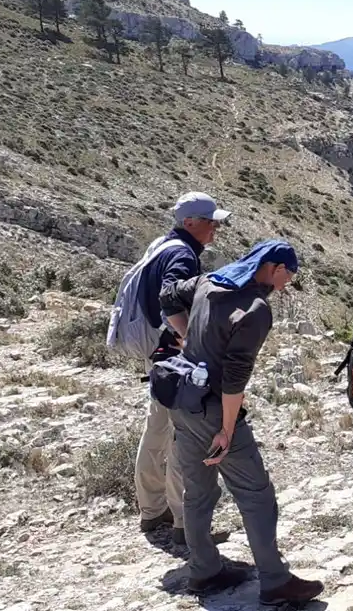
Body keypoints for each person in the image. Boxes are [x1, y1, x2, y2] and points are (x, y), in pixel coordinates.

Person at [158, 240, 324, 602]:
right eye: (289, 275)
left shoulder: (208, 281)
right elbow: (234, 380)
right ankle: (276, 581)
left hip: (182, 398)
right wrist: (227, 430)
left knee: (198, 492)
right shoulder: (255, 309)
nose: (287, 284)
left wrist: (187, 337)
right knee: (256, 494)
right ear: (275, 268)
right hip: (214, 408)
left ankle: (204, 571)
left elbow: (167, 296)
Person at [135, 192, 230, 545]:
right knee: (182, 435)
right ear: (190, 222)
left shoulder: (162, 245)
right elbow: (169, 298)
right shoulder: (182, 255)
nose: (215, 229)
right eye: (210, 222)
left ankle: (151, 510)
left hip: (156, 352)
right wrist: (191, 341)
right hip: (175, 357)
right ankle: (184, 523)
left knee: (156, 429)